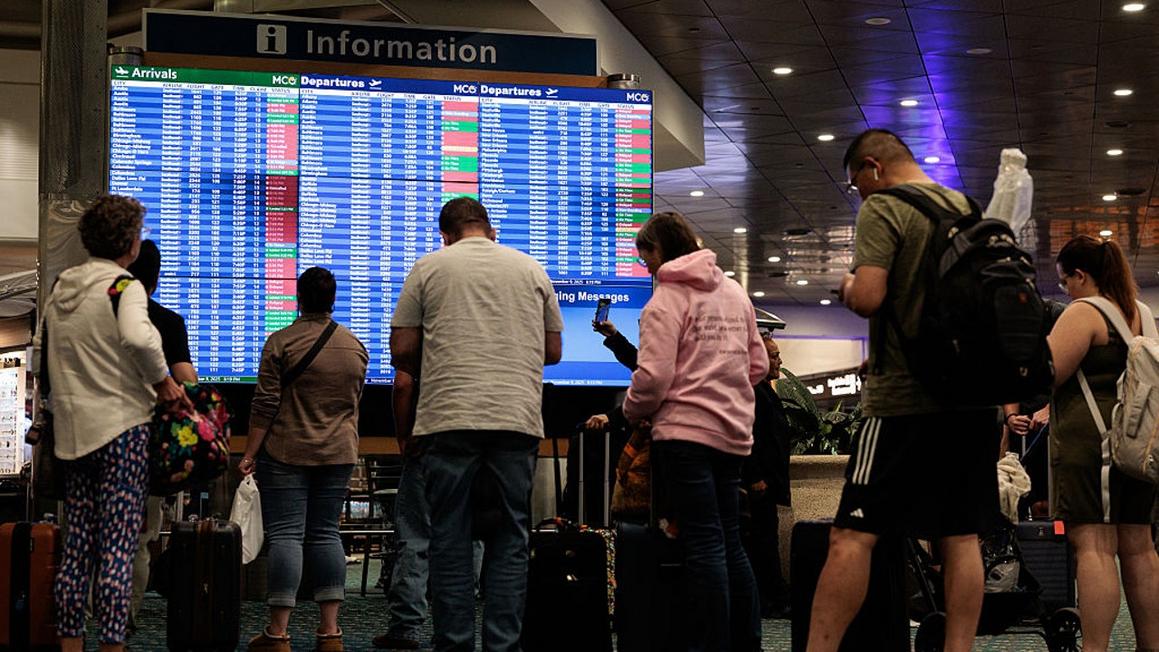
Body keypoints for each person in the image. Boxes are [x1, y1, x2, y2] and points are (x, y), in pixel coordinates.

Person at [808, 129, 999, 652]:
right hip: (971, 399)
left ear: (872, 167)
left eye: (856, 184)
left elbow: (869, 295)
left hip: (904, 403)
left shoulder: (885, 206)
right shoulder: (966, 207)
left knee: (852, 535)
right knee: (960, 537)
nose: (859, 194)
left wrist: (846, 287)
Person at [390, 196, 563, 652]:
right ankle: (503, 646)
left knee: (449, 537)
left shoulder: (429, 267)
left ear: (445, 234)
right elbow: (553, 352)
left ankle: (454, 644)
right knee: (509, 538)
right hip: (516, 419)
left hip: (447, 418)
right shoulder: (531, 269)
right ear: (489, 229)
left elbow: (402, 349)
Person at [34, 194, 188, 652]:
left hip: (73, 435)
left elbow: (46, 351)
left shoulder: (63, 284)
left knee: (77, 548)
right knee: (119, 548)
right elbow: (140, 338)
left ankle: (70, 644)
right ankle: (113, 644)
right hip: (122, 433)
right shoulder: (124, 286)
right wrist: (162, 383)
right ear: (130, 243)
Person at [621, 211, 768, 652]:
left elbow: (653, 378)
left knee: (702, 542)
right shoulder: (734, 292)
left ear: (659, 248)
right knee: (729, 541)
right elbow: (758, 365)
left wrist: (632, 409)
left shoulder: (666, 300)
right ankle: (748, 642)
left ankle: (711, 644)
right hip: (733, 433)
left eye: (644, 255)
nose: (644, 265)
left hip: (685, 436)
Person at [239, 266, 369, 652]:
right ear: (332, 300)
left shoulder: (281, 343)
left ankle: (278, 633)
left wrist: (249, 453)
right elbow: (353, 403)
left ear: (299, 298)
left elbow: (264, 406)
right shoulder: (355, 346)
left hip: (287, 452)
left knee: (287, 536)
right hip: (338, 453)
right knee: (327, 533)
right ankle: (330, 633)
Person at [1046, 234, 1159, 652]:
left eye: (1064, 281)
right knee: (1140, 548)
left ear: (1080, 275)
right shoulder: (1143, 314)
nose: (1065, 290)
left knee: (1094, 546)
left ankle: (1095, 648)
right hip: (1137, 448)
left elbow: (1048, 371)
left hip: (1094, 448)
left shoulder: (1084, 312)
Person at [371, 370, 485, 651]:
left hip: (429, 444)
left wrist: (403, 436)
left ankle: (405, 628)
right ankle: (457, 627)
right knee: (469, 539)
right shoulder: (491, 335)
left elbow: (402, 384)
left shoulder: (423, 333)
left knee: (416, 538)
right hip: (478, 447)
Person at [125, 239, 198, 632]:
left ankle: (84, 612)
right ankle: (125, 615)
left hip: (87, 439)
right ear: (155, 279)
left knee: (89, 535)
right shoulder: (166, 322)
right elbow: (186, 380)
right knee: (138, 538)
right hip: (145, 446)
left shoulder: (97, 314)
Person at [744, 335, 793, 619]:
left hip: (767, 483)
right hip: (758, 485)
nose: (779, 361)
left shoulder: (765, 390)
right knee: (761, 543)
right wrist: (754, 476)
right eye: (774, 355)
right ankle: (770, 600)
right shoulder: (752, 391)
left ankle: (771, 599)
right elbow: (749, 437)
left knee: (766, 541)